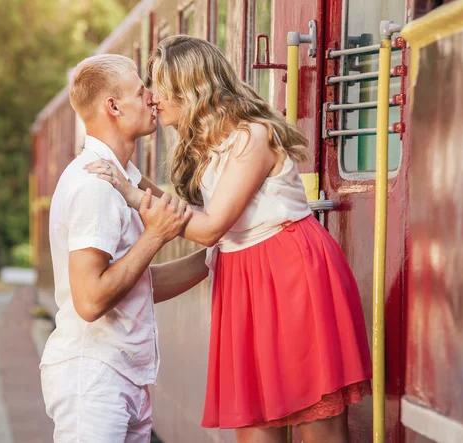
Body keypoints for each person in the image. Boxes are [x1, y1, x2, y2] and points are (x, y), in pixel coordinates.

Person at [86, 36, 372, 443]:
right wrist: (129, 177)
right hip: (247, 277)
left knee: (315, 423)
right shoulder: (210, 144)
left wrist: (134, 195)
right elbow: (198, 218)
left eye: (158, 85)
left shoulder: (250, 137)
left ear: (191, 86)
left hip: (288, 275)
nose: (152, 97)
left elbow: (208, 228)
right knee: (255, 426)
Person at [40, 54, 209, 443]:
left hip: (121, 375)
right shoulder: (96, 185)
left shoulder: (124, 178)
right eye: (140, 90)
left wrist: (215, 258)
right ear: (113, 106)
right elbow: (90, 300)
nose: (152, 97)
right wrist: (154, 236)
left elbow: (136, 284)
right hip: (93, 377)